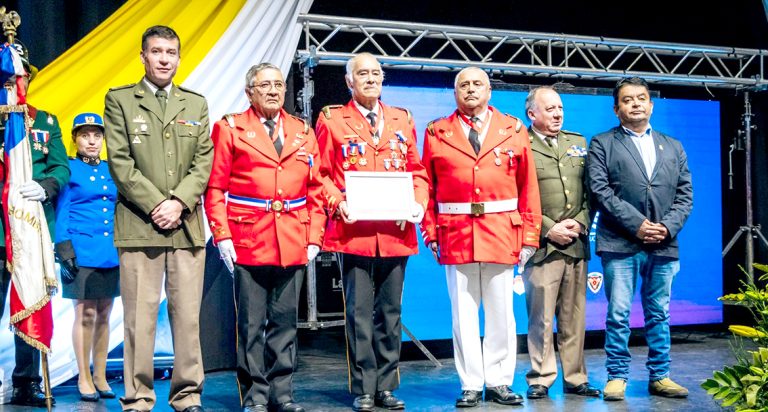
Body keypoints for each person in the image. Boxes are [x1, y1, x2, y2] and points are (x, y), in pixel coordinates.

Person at [204, 63, 326, 412]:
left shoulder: (302, 130)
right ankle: (255, 395)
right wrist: (222, 235)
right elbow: (214, 189)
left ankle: (282, 394)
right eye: (265, 85)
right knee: (252, 324)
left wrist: (314, 235)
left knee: (286, 324)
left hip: (292, 238)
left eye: (278, 85)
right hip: (248, 239)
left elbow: (316, 189)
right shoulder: (230, 128)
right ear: (249, 92)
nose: (273, 91)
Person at [104, 25, 213, 412]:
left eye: (171, 52)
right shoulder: (120, 100)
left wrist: (180, 202)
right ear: (143, 57)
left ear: (179, 58)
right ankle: (137, 397)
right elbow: (119, 161)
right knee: (139, 319)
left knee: (187, 319)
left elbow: (204, 162)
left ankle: (187, 395)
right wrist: (158, 204)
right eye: (157, 51)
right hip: (139, 226)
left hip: (185, 227)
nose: (164, 58)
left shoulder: (195, 103)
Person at [420, 67, 541, 408]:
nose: (470, 89)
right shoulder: (436, 131)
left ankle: (499, 381)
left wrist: (530, 235)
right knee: (463, 314)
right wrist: (430, 231)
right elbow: (426, 187)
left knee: (502, 313)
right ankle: (471, 383)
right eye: (463, 85)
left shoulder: (513, 129)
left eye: (477, 84)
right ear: (454, 92)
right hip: (455, 233)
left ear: (490, 91)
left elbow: (528, 187)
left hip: (502, 230)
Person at [315, 52, 428, 412]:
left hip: (395, 232)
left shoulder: (402, 118)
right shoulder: (333, 119)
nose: (370, 79)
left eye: (376, 73)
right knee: (360, 314)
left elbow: (417, 171)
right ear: (349, 81)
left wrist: (416, 204)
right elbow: (320, 174)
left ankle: (387, 386)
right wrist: (337, 203)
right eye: (362, 74)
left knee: (391, 313)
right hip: (355, 233)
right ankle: (363, 386)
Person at [586, 77, 693, 401]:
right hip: (620, 243)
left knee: (659, 313)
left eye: (642, 98)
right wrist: (638, 225)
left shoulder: (672, 145)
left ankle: (660, 375)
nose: (636, 104)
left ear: (651, 105)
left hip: (663, 244)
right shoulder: (602, 143)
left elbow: (685, 195)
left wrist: (667, 227)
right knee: (618, 313)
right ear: (617, 109)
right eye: (628, 100)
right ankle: (617, 376)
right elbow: (600, 191)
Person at [0, 40, 70, 407]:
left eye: (21, 76)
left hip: (31, 226)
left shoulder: (45, 121)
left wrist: (44, 188)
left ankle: (26, 382)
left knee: (30, 300)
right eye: (9, 77)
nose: (17, 82)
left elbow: (60, 166)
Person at [521, 86, 600, 399]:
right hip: (542, 246)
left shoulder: (577, 142)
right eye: (550, 108)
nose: (557, 113)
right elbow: (517, 197)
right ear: (532, 114)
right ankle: (540, 377)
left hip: (576, 243)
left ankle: (575, 376)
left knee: (574, 315)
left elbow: (590, 193)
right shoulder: (520, 144)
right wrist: (549, 228)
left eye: (560, 108)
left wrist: (580, 223)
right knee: (540, 317)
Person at [54, 113, 119, 402]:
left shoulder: (111, 169)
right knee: (86, 313)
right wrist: (64, 250)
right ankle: (83, 376)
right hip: (80, 252)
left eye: (97, 135)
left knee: (105, 313)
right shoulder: (68, 169)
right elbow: (62, 212)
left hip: (111, 252)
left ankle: (101, 375)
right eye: (85, 135)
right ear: (75, 140)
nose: (92, 141)